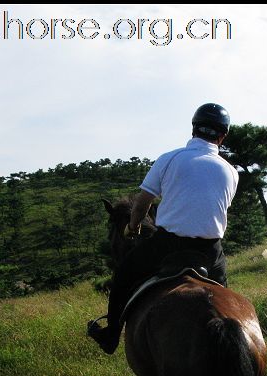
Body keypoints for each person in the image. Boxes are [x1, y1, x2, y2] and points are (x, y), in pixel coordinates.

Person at [88, 103, 239, 354]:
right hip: (211, 252)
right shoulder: (231, 172)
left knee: (123, 275)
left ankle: (111, 335)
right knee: (225, 297)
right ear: (222, 136)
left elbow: (142, 203)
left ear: (193, 129)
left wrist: (134, 227)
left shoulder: (169, 158)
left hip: (168, 245)